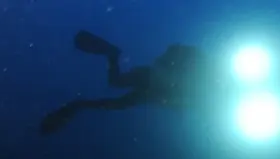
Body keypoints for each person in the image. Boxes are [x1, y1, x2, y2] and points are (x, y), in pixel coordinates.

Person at [39, 30, 213, 135]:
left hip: (151, 89)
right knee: (115, 90)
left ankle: (77, 105)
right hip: (152, 81)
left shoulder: (203, 93)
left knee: (115, 93)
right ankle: (111, 55)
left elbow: (179, 103)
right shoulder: (205, 84)